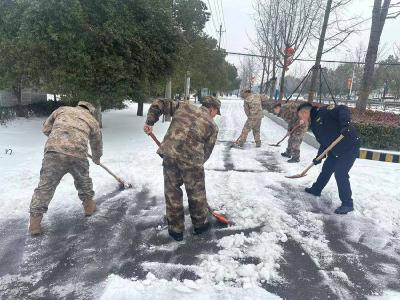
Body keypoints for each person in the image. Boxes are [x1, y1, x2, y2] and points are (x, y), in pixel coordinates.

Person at [144, 96, 220, 241]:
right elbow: (207, 151)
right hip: (192, 161)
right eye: (216, 112)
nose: (215, 115)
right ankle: (200, 225)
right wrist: (196, 165)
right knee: (196, 192)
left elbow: (160, 103)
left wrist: (150, 122)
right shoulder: (212, 126)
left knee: (172, 191)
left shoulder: (183, 106)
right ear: (212, 108)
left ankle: (176, 230)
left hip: (170, 155)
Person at [29, 101, 103, 235]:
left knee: (45, 187)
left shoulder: (61, 110)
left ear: (78, 106)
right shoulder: (92, 120)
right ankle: (89, 208)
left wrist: (62, 138)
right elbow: (96, 142)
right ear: (91, 111)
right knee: (83, 182)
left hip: (54, 153)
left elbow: (46, 129)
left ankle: (34, 225)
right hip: (78, 155)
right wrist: (97, 158)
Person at [297, 102, 360, 214]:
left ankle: (347, 204)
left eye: (300, 116)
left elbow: (343, 108)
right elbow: (324, 142)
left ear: (305, 112)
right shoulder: (314, 126)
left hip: (349, 146)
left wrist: (346, 125)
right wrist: (319, 157)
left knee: (340, 173)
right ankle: (316, 189)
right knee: (326, 169)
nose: (301, 119)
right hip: (335, 148)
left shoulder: (325, 111)